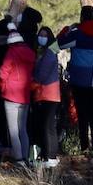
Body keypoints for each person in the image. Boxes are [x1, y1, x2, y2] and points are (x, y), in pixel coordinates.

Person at [57, 6, 93, 157]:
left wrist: (68, 28)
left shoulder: (76, 35)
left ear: (81, 17)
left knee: (82, 114)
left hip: (79, 79)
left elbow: (57, 44)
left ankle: (85, 147)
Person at [0, 21, 35, 165]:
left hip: (11, 95)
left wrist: (1, 86)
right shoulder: (30, 53)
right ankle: (25, 157)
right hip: (25, 95)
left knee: (13, 130)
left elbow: (3, 73)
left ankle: (18, 158)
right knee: (22, 129)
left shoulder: (11, 52)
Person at [30, 25, 61, 167]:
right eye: (40, 34)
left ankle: (50, 156)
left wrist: (33, 83)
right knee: (48, 126)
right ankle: (49, 156)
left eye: (44, 35)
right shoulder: (46, 51)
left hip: (47, 93)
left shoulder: (49, 52)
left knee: (48, 126)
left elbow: (42, 73)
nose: (41, 37)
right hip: (48, 93)